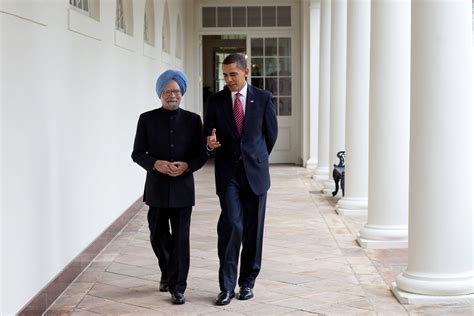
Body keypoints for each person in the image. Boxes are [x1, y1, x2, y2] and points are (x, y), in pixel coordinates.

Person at [204, 53, 278, 306]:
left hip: (255, 174)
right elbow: (208, 134)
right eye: (224, 75)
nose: (228, 80)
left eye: (233, 74)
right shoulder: (215, 101)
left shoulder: (264, 98)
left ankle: (247, 283)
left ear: (245, 72)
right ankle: (226, 286)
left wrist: (255, 158)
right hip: (228, 175)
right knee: (232, 226)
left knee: (253, 230)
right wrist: (210, 144)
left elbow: (270, 136)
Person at [131, 70, 206, 305]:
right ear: (160, 94)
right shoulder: (146, 119)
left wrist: (186, 166)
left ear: (182, 93)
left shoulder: (194, 120)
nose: (172, 95)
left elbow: (201, 154)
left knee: (181, 239)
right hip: (157, 188)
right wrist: (155, 164)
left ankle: (178, 287)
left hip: (183, 189)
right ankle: (167, 270)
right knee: (157, 235)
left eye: (176, 91)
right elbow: (137, 153)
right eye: (167, 91)